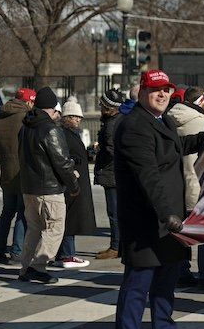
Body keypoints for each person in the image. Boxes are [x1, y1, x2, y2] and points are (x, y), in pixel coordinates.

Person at [111, 70, 204, 329]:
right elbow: (148, 175)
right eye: (156, 90)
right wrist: (168, 214)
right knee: (137, 285)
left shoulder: (160, 120)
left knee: (166, 282)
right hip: (147, 222)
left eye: (166, 90)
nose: (162, 94)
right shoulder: (134, 126)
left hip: (169, 220)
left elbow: (178, 147)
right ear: (142, 91)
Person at [16, 87, 78, 284]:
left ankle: (26, 268)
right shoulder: (50, 129)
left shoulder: (25, 126)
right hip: (49, 188)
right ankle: (38, 266)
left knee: (34, 229)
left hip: (29, 187)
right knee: (55, 228)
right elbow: (62, 162)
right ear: (51, 108)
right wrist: (73, 184)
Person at [167, 87, 204, 288]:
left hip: (177, 185)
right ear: (201, 101)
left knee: (179, 232)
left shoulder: (168, 120)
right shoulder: (202, 123)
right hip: (198, 185)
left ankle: (181, 271)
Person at [0, 88, 34, 264]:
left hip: (6, 171)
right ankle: (17, 251)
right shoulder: (26, 119)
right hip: (23, 172)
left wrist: (2, 154)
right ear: (28, 101)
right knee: (22, 213)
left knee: (6, 212)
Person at [54, 97, 93, 270]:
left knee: (72, 218)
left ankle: (65, 253)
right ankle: (66, 254)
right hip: (71, 181)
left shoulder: (72, 134)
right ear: (66, 117)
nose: (78, 120)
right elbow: (62, 155)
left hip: (77, 180)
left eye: (79, 117)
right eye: (74, 117)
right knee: (69, 219)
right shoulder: (63, 133)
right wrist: (73, 159)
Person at [94, 89, 127, 260]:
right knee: (118, 212)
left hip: (111, 173)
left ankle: (116, 246)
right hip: (117, 173)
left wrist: (99, 152)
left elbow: (112, 150)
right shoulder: (120, 120)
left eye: (101, 104)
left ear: (108, 107)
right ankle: (119, 246)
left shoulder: (110, 125)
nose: (99, 107)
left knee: (114, 212)